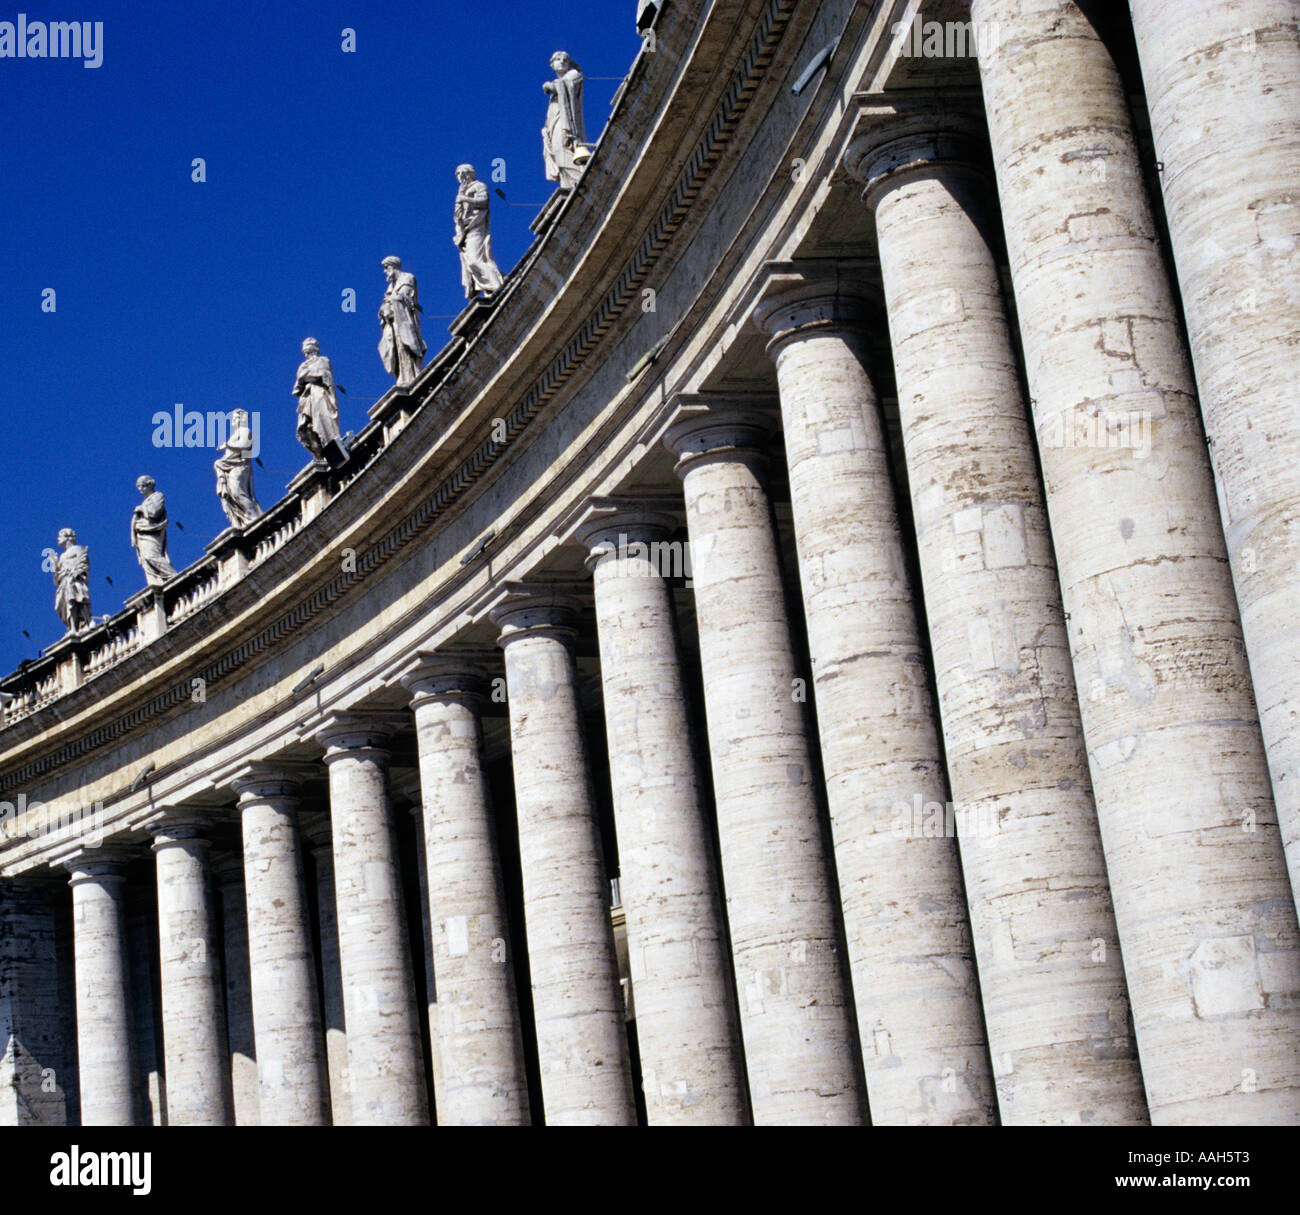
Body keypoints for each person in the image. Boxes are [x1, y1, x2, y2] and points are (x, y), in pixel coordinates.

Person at [454, 165, 505, 299]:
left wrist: (466, 199)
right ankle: (495, 283)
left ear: (469, 174)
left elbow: (484, 201)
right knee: (470, 262)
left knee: (475, 260)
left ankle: (497, 286)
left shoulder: (478, 186)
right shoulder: (461, 191)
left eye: (462, 173)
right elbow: (458, 215)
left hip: (476, 226)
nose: (460, 177)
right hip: (465, 231)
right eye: (458, 174)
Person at [293, 336, 344, 465]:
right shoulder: (302, 366)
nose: (307, 353)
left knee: (322, 419)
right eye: (305, 351)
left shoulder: (323, 360)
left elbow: (324, 375)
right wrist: (306, 377)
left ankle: (330, 444)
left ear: (315, 349)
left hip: (320, 394)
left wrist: (307, 376)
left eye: (309, 349)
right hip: (307, 398)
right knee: (307, 427)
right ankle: (319, 454)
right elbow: (297, 386)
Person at [378, 256, 427, 385]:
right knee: (397, 348)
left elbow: (405, 296)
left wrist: (391, 303)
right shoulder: (390, 287)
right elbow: (387, 303)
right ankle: (404, 375)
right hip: (394, 323)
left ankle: (412, 374)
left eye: (386, 268)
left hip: (405, 321)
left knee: (405, 346)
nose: (385, 271)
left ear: (393, 266)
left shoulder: (407, 278)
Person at [542, 51, 587, 190]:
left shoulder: (574, 75)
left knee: (562, 149)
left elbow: (568, 85)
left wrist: (553, 86)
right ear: (552, 65)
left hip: (566, 123)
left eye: (565, 60)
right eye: (558, 59)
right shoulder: (561, 81)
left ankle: (579, 181)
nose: (562, 61)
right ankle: (568, 183)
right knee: (556, 151)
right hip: (554, 122)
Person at [214, 408, 262, 529]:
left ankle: (255, 519)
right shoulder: (236, 433)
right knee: (232, 494)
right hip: (231, 466)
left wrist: (227, 445)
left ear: (241, 419)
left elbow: (244, 445)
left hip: (240, 466)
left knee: (237, 492)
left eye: (235, 418)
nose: (233, 421)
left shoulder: (245, 431)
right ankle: (245, 520)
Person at [131, 476, 176, 586]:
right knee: (146, 559)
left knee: (151, 556)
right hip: (142, 534)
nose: (140, 489)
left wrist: (141, 509)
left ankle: (173, 577)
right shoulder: (145, 502)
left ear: (149, 485)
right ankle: (158, 582)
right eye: (138, 487)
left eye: (141, 486)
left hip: (152, 532)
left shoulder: (158, 496)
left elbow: (154, 512)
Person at [53, 528, 92, 632]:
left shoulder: (78, 549)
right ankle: (72, 628)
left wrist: (75, 573)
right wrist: (54, 566)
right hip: (64, 582)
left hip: (74, 581)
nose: (58, 539)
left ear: (67, 537)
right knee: (63, 603)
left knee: (73, 600)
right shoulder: (61, 557)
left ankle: (76, 627)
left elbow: (83, 563)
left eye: (60, 536)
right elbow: (57, 578)